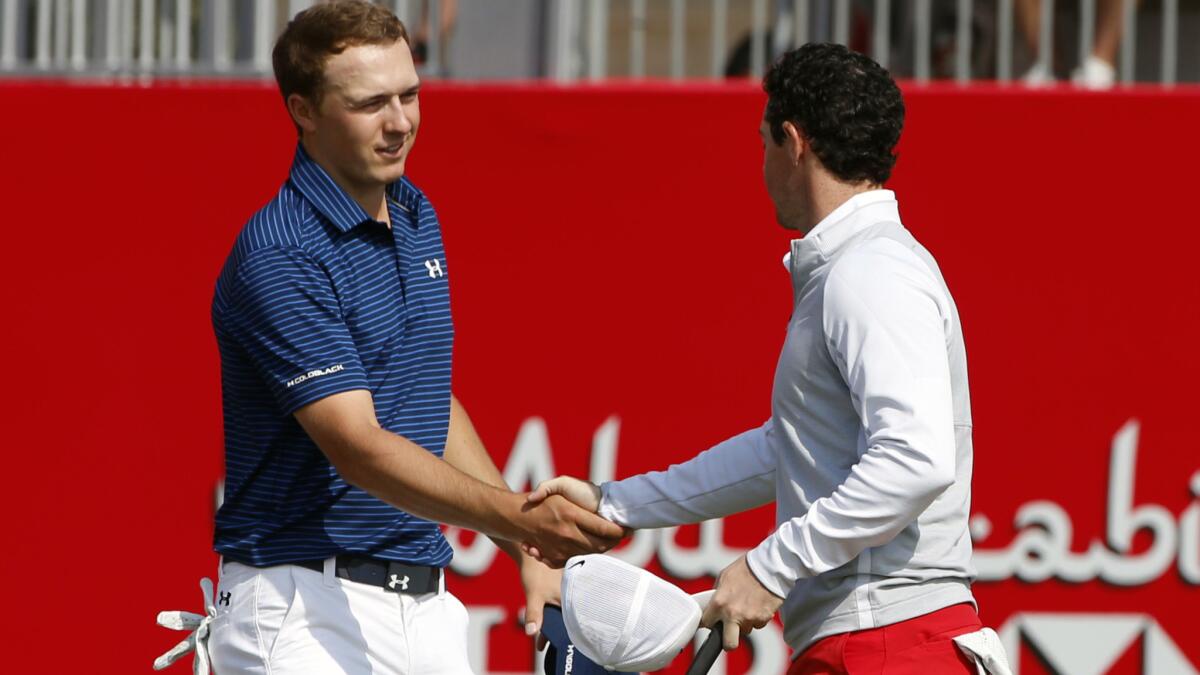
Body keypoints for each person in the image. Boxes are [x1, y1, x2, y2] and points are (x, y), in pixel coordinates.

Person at [529, 43, 995, 674]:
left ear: (794, 142)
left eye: (764, 142)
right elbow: (791, 449)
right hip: (872, 641)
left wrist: (770, 565)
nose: (763, 162)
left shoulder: (869, 272)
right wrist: (615, 504)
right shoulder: (856, 268)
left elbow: (916, 459)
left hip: (887, 643)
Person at [206, 2, 623, 673]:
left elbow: (424, 398)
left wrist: (523, 550)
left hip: (425, 606)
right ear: (303, 111)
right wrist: (521, 516)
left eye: (410, 94)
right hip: (300, 609)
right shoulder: (280, 252)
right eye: (371, 103)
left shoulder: (414, 212)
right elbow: (359, 448)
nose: (400, 122)